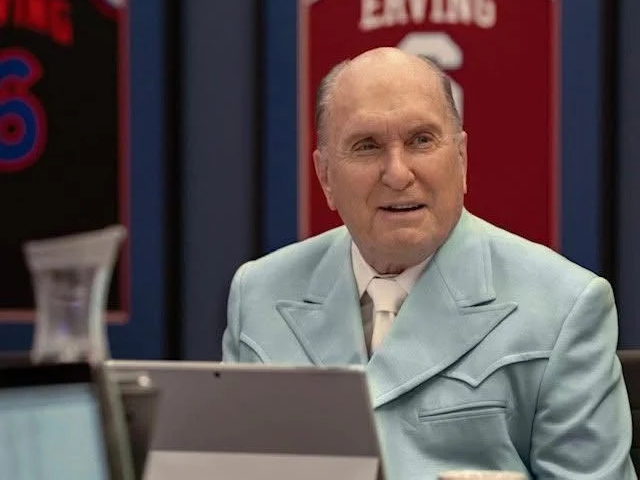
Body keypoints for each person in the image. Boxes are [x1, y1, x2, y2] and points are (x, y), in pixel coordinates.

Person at [222, 47, 635, 478]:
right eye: (367, 146)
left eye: (421, 140)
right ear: (325, 176)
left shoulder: (565, 306)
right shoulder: (258, 294)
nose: (398, 173)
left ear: (461, 159)